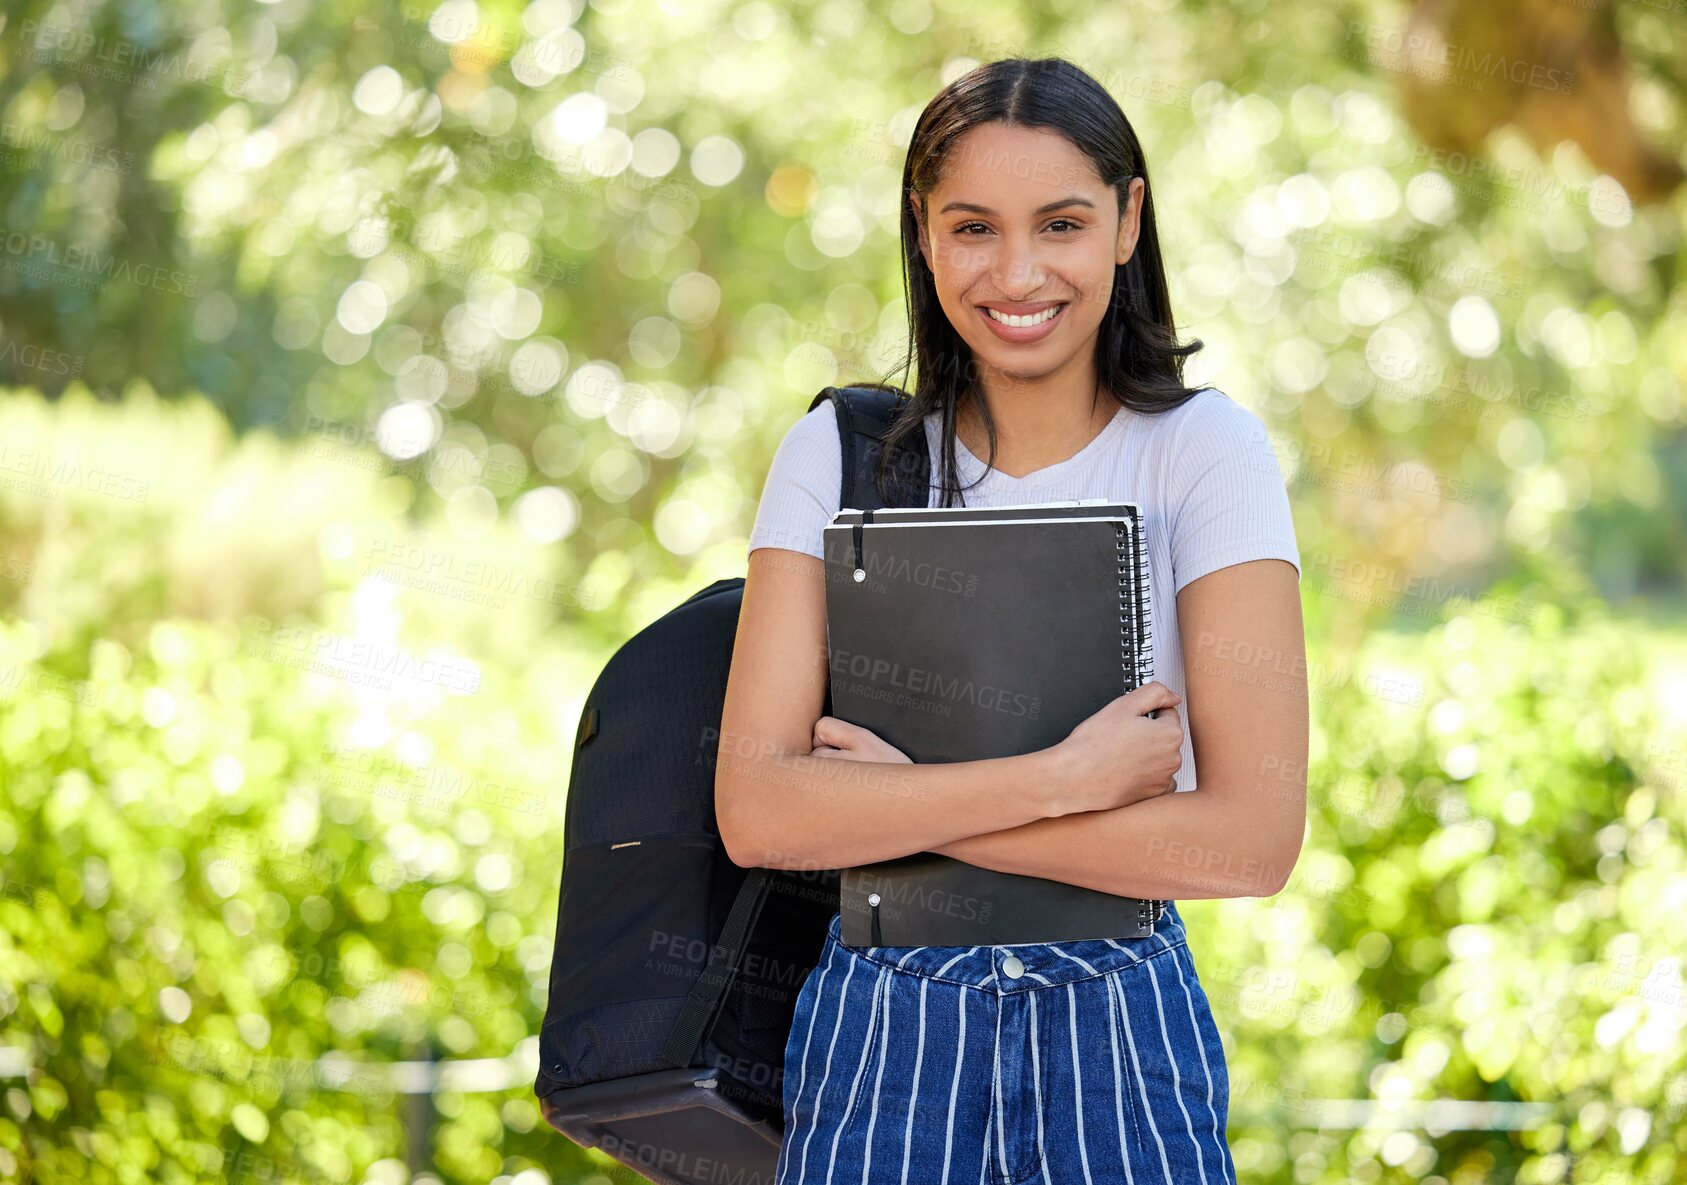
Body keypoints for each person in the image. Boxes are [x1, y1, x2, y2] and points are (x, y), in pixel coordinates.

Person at [717, 56, 1307, 1185]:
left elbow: (1248, 842)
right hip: (883, 1035)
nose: (1019, 271)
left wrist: (890, 810)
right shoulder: (839, 456)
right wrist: (1065, 778)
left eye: (1064, 223)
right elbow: (757, 809)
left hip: (1117, 1031)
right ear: (922, 231)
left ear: (1130, 221)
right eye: (974, 227)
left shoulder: (1204, 453)